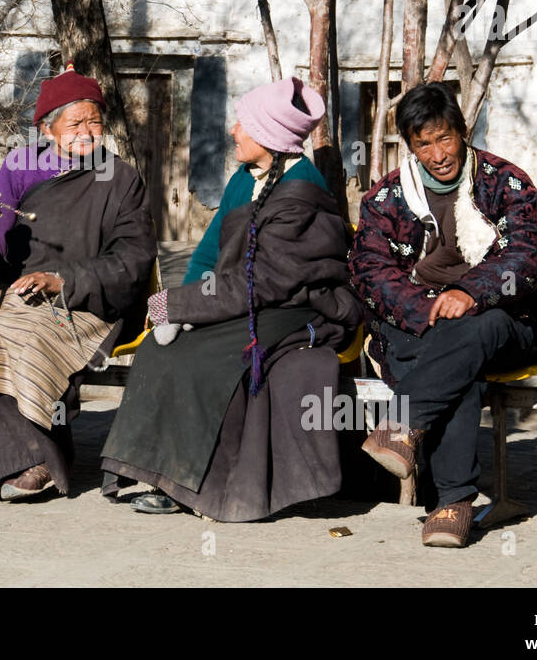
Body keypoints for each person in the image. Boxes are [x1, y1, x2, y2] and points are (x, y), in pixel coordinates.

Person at [100, 78, 361, 521]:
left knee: (207, 361)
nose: (234, 131)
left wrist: (181, 307)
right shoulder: (246, 179)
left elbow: (264, 283)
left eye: (243, 123)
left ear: (269, 137)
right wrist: (184, 306)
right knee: (162, 350)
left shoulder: (301, 191)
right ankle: (164, 473)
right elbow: (209, 254)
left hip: (293, 307)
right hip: (243, 299)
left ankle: (197, 486)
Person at [350, 82, 537, 547]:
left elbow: (527, 255)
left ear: (462, 131)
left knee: (478, 330)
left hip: (503, 317)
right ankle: (454, 502)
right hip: (418, 323)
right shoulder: (386, 198)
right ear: (410, 147)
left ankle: (403, 428)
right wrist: (426, 308)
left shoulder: (506, 183)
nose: (438, 153)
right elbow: (369, 269)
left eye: (445, 138)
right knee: (457, 357)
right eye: (424, 143)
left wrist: (471, 294)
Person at [0, 66, 157, 503]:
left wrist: (64, 280)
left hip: (85, 301)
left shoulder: (121, 179)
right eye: (75, 123)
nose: (87, 132)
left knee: (30, 339)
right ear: (47, 129)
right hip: (17, 292)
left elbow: (134, 257)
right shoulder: (21, 165)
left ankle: (40, 461)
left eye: (94, 121)